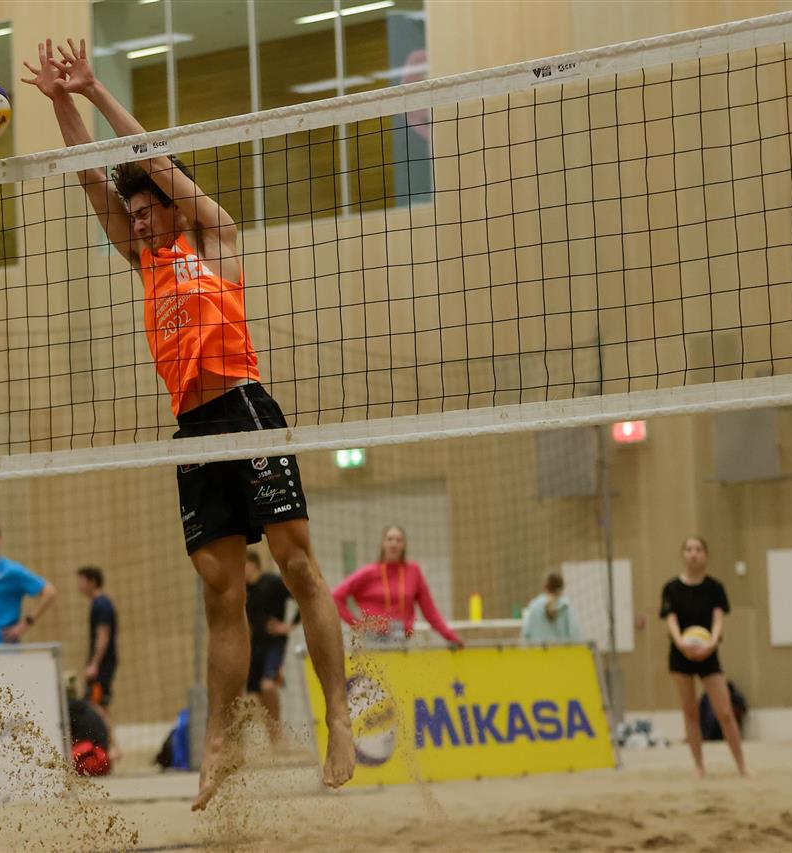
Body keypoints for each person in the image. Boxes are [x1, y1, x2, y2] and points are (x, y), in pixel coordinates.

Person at [24, 38, 355, 810]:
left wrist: (96, 89)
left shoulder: (214, 240)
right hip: (194, 429)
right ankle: (220, 743)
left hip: (245, 407)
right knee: (218, 592)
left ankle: (339, 715)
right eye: (133, 214)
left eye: (148, 210)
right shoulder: (143, 262)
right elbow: (91, 178)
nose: (139, 222)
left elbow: (154, 159)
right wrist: (61, 104)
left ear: (171, 207)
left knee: (297, 566)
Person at [660, 536, 747, 777]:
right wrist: (681, 644)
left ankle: (742, 766)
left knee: (725, 712)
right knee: (690, 713)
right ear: (683, 554)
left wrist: (710, 644)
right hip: (681, 656)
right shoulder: (671, 588)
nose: (693, 553)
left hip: (708, 654)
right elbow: (671, 620)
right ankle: (699, 768)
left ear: (705, 555)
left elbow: (718, 621)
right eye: (689, 549)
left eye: (698, 549)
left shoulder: (715, 588)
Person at [331, 526, 463, 646]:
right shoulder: (368, 572)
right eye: (390, 539)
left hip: (403, 639)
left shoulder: (414, 571)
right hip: (373, 640)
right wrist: (356, 625)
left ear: (404, 545)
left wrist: (450, 636)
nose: (394, 543)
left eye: (398, 540)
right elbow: (335, 597)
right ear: (383, 544)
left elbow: (430, 612)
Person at [244, 551, 298, 741]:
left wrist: (288, 627)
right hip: (253, 647)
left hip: (274, 644)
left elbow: (301, 598)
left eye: (243, 566)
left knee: (267, 686)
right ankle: (273, 738)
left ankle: (277, 732)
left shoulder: (273, 582)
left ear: (253, 565)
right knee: (256, 693)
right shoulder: (243, 590)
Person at [76, 566, 118, 758]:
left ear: (92, 582)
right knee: (99, 705)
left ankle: (114, 747)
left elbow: (103, 636)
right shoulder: (98, 604)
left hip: (103, 664)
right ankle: (113, 746)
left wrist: (94, 663)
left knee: (97, 705)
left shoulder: (102, 605)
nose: (79, 585)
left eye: (82, 581)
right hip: (102, 663)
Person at [521, 572, 582, 644]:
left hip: (538, 650)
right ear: (562, 587)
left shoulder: (534, 605)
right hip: (562, 650)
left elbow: (526, 634)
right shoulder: (566, 606)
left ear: (545, 587)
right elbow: (575, 635)